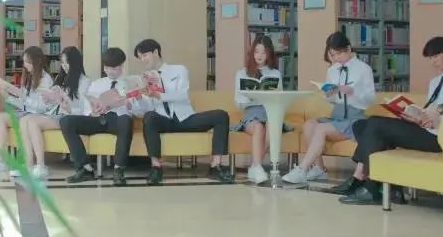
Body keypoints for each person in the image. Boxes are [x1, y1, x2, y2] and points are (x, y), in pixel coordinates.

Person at [335, 35, 443, 204]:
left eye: (436, 56)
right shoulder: (435, 81)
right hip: (424, 127)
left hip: (438, 135)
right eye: (430, 58)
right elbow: (430, 109)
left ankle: (367, 183)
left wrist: (434, 118)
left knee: (375, 125)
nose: (432, 62)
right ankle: (392, 189)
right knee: (361, 125)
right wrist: (415, 116)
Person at [133, 39, 235, 185]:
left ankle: (215, 166)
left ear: (155, 52)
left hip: (185, 118)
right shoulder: (144, 78)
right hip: (164, 120)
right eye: (140, 57)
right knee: (149, 116)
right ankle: (156, 167)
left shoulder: (179, 70)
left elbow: (182, 95)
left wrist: (159, 93)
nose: (143, 60)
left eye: (145, 55)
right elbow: (147, 108)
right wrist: (139, 98)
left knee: (221, 115)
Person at [283, 32, 375, 185]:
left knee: (321, 128)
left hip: (354, 117)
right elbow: (331, 100)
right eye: (333, 54)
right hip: (336, 115)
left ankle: (301, 169)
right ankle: (319, 169)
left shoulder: (364, 69)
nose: (336, 58)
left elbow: (370, 99)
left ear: (348, 49)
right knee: (308, 125)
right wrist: (329, 94)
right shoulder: (332, 70)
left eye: (339, 53)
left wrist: (352, 92)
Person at [61, 47, 138, 186]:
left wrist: (126, 103)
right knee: (66, 121)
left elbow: (138, 109)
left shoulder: (129, 84)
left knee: (126, 120)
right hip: (97, 119)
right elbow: (87, 106)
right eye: (106, 68)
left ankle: (118, 170)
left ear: (122, 66)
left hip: (117, 120)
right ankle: (85, 168)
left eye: (113, 68)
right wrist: (92, 110)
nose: (109, 71)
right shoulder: (97, 84)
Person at [0, 45, 55, 174]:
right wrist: (8, 97)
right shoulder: (29, 77)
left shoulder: (46, 80)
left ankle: (0, 159)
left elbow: (41, 108)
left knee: (0, 119)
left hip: (35, 115)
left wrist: (15, 90)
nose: (25, 65)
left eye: (28, 62)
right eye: (24, 61)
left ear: (37, 61)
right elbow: (23, 103)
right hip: (25, 112)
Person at [17, 47, 91, 180]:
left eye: (67, 63)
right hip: (56, 112)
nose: (64, 66)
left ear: (75, 63)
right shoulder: (61, 78)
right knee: (25, 120)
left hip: (69, 116)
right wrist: (49, 98)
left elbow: (83, 108)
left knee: (32, 122)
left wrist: (65, 102)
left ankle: (41, 165)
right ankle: (28, 164)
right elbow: (53, 101)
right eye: (62, 63)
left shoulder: (84, 81)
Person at [233, 34, 284, 184]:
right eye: (256, 51)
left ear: (269, 54)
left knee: (271, 128)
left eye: (264, 52)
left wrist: (269, 97)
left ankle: (255, 166)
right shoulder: (242, 73)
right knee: (258, 127)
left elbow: (279, 99)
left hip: (269, 112)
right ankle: (256, 167)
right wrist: (251, 98)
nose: (259, 55)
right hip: (251, 113)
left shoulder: (275, 74)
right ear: (252, 53)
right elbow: (238, 102)